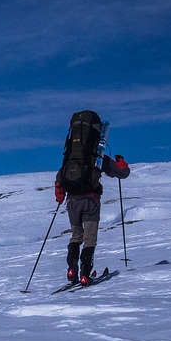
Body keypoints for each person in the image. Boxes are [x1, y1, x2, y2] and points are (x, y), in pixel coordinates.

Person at [54, 117, 129, 285]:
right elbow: (122, 173)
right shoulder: (96, 156)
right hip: (91, 201)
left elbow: (59, 180)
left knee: (75, 236)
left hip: (72, 202)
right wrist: (121, 162)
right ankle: (85, 274)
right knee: (89, 239)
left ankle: (71, 269)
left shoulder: (70, 157)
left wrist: (60, 197)